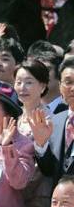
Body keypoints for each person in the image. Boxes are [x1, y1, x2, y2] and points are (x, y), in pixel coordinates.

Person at [14, 60, 55, 207]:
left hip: (39, 195)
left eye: (29, 82)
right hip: (15, 194)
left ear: (43, 86)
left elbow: (47, 162)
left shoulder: (50, 119)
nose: (22, 87)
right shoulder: (15, 118)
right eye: (19, 81)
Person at [35, 57, 74, 190]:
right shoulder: (55, 121)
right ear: (60, 86)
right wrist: (41, 144)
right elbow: (48, 170)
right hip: (61, 206)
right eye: (68, 82)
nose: (73, 88)